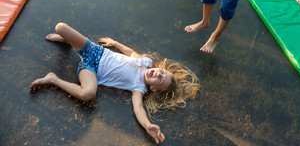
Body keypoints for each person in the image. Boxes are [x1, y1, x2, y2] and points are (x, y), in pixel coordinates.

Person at [30, 22, 200, 144]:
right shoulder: (147, 62)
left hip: (91, 69)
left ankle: (53, 79)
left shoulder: (138, 88)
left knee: (88, 94)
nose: (158, 72)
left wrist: (148, 125)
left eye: (159, 79)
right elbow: (131, 52)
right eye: (162, 71)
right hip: (95, 50)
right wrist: (115, 43)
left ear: (154, 89)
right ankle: (65, 39)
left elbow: (138, 108)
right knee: (61, 27)